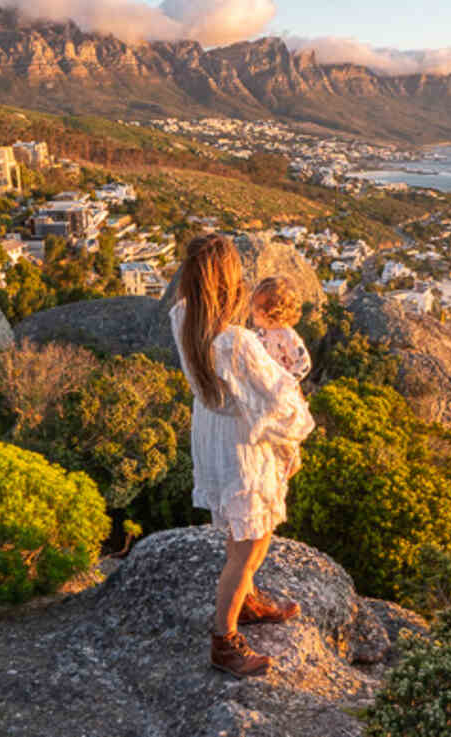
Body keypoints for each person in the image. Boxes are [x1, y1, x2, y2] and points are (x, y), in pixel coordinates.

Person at [168, 234, 315, 678]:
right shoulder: (236, 342)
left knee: (244, 530)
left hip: (217, 438)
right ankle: (225, 639)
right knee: (249, 545)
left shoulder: (184, 317)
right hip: (245, 449)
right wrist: (294, 437)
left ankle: (246, 600)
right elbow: (280, 400)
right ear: (229, 285)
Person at [249, 275, 312, 479]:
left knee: (289, 428)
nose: (252, 309)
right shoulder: (261, 333)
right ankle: (275, 467)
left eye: (257, 306)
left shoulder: (287, 335)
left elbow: (304, 363)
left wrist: (287, 382)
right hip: (268, 389)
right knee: (272, 431)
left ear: (272, 312)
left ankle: (293, 460)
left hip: (283, 391)